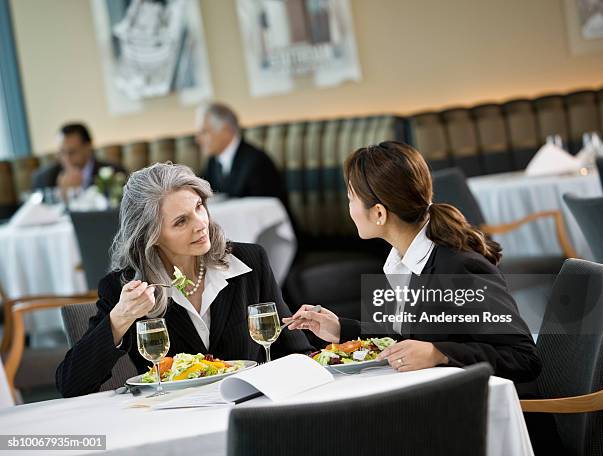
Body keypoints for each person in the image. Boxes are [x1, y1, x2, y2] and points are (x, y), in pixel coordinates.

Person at [284, 141, 542, 383]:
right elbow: (411, 338)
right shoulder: (403, 261)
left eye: (351, 198)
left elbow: (523, 357)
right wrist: (342, 329)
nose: (349, 207)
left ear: (379, 213)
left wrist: (438, 354)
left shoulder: (458, 267)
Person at [56, 163, 312, 397]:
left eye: (199, 207)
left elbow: (294, 352)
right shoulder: (125, 288)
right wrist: (120, 318)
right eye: (181, 221)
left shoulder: (249, 263)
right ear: (151, 236)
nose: (201, 224)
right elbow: (71, 384)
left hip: (249, 413)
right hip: (173, 423)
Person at [196, 103, 289, 208]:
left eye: (204, 132)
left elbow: (265, 211)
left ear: (226, 130)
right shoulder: (212, 162)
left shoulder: (256, 162)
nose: (198, 139)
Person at [32, 123, 125, 192]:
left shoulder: (114, 172)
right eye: (62, 152)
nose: (66, 159)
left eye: (71, 152)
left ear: (88, 147)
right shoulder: (44, 178)